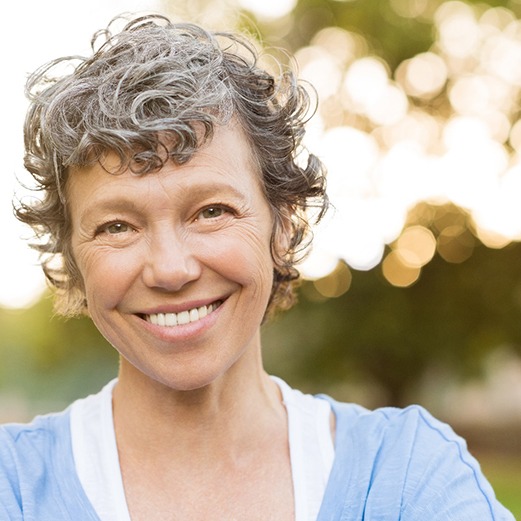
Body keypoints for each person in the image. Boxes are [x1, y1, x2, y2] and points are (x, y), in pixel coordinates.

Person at [0, 13, 514, 521]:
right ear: (72, 255)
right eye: (117, 226)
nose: (171, 270)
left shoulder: (409, 474)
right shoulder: (14, 485)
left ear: (284, 224)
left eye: (211, 212)